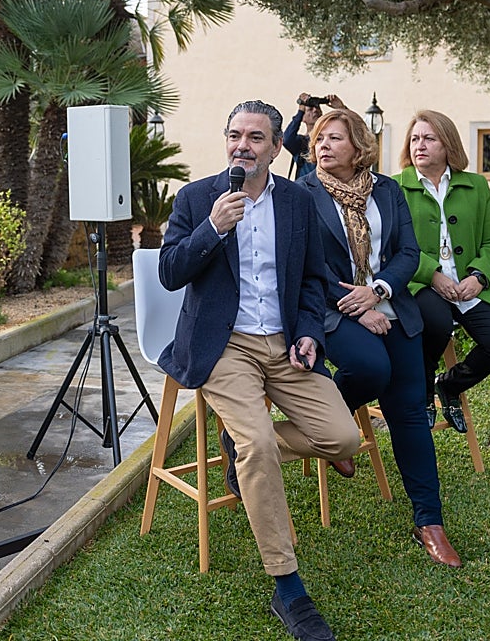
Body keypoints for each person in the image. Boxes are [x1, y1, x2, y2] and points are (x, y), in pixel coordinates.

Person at [159, 100, 361, 641]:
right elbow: (170, 272)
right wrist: (212, 229)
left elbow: (315, 279)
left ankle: (240, 448)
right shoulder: (198, 198)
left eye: (255, 137)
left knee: (343, 438)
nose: (241, 145)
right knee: (262, 447)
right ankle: (288, 586)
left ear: (276, 147)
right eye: (234, 135)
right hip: (223, 347)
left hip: (284, 344)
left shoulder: (297, 201)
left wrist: (309, 334)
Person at [299, 108, 462, 568]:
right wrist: (353, 305)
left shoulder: (388, 190)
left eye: (335, 138)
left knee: (410, 412)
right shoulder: (302, 193)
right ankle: (335, 429)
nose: (323, 146)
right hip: (332, 310)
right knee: (371, 368)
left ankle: (429, 522)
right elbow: (304, 264)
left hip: (389, 305)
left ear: (360, 147)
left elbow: (409, 253)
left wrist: (378, 292)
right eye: (319, 139)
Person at [395, 110, 490, 432]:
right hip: (420, 284)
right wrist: (433, 275)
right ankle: (423, 391)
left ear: (447, 143)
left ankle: (449, 385)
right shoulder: (394, 187)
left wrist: (479, 277)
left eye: (428, 138)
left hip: (468, 287)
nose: (419, 146)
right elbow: (393, 246)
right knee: (435, 322)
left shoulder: (476, 186)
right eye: (414, 139)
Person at [283, 92, 345, 179]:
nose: (315, 110)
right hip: (306, 188)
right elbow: (287, 139)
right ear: (303, 118)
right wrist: (300, 111)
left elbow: (356, 132)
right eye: (310, 109)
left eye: (317, 108)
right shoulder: (301, 142)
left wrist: (341, 108)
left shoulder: (332, 137)